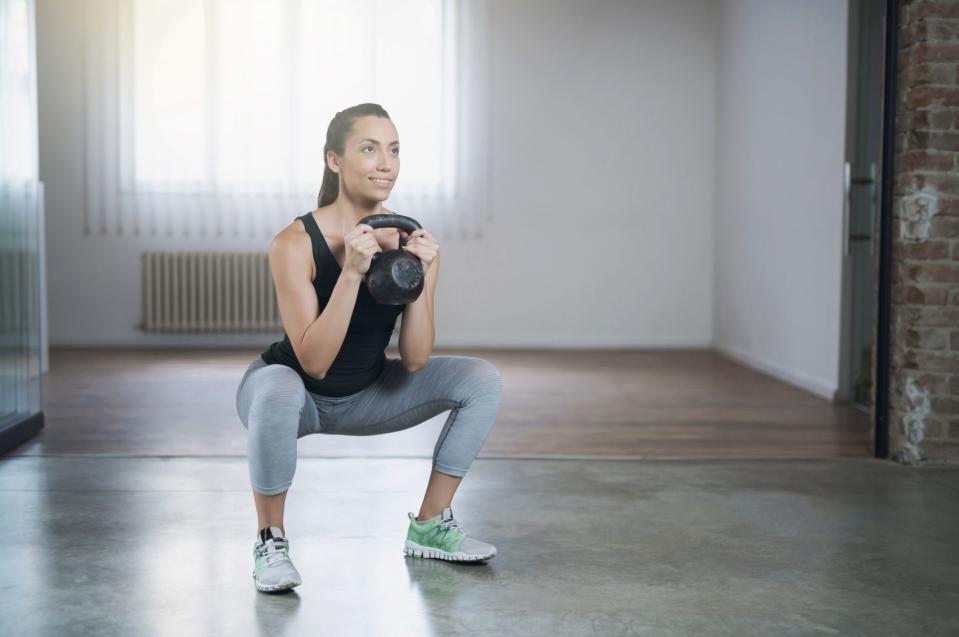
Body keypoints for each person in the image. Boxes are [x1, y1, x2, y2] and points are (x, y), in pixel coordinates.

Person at [234, 103, 503, 593]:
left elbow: (416, 358)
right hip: (295, 396)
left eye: (394, 150)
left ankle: (430, 526)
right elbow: (313, 362)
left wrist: (423, 276)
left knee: (482, 379)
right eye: (369, 149)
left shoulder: (408, 239)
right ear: (334, 160)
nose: (386, 163)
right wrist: (353, 273)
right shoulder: (293, 243)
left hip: (368, 395)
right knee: (276, 386)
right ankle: (270, 542)